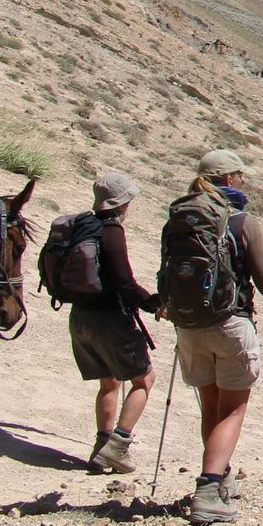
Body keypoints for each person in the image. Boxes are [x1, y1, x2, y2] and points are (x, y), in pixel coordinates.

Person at [165, 150, 263, 526]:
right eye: (240, 175)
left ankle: (220, 474)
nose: (243, 181)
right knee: (232, 409)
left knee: (210, 406)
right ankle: (209, 490)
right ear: (229, 179)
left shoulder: (180, 217)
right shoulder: (241, 222)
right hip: (230, 323)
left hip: (189, 326)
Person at [70, 173, 161, 473]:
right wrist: (152, 303)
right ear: (123, 202)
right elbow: (124, 281)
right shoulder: (112, 232)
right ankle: (118, 446)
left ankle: (101, 447)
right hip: (109, 319)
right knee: (144, 380)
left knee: (108, 381)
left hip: (81, 317)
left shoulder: (84, 227)